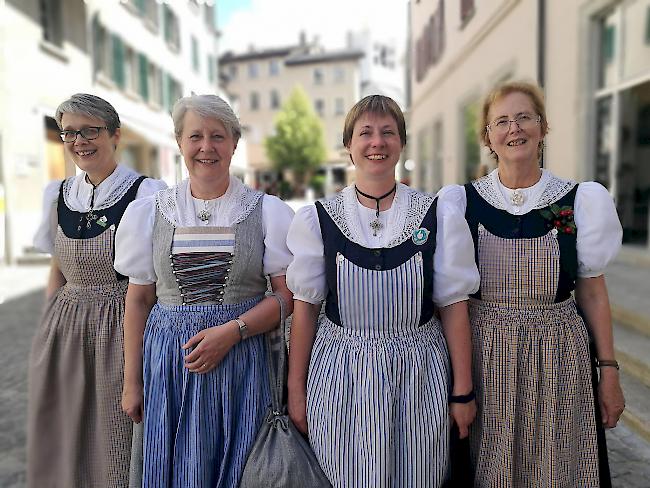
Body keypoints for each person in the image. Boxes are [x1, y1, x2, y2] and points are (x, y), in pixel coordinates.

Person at [286, 95, 480, 487]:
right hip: (342, 375)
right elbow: (304, 312)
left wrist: (462, 392)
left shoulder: (436, 213)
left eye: (388, 132)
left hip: (418, 374)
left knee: (419, 473)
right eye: (366, 133)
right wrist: (296, 391)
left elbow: (455, 307)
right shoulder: (319, 220)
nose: (377, 142)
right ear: (349, 146)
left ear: (401, 143)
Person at [439, 80, 625, 486]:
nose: (514, 128)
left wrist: (608, 370)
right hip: (486, 355)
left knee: (557, 465)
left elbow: (592, 290)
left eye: (525, 117)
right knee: (492, 466)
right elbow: (449, 298)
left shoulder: (580, 200)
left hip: (560, 356)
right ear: (487, 136)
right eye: (501, 121)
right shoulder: (461, 204)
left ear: (543, 126)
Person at [114, 94, 294, 488]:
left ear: (234, 143)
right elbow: (139, 299)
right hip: (170, 367)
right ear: (179, 143)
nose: (206, 147)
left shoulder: (266, 212)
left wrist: (233, 331)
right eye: (195, 136)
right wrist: (133, 381)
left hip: (243, 363)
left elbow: (287, 297)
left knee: (241, 464)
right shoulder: (150, 212)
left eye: (218, 136)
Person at [27, 93, 166, 488]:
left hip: (121, 325)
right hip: (66, 327)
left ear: (115, 134)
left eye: (90, 131)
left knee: (116, 435)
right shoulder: (57, 195)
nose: (79, 141)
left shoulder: (145, 193)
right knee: (66, 429)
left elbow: (151, 281)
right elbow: (58, 267)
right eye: (69, 133)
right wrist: (46, 329)